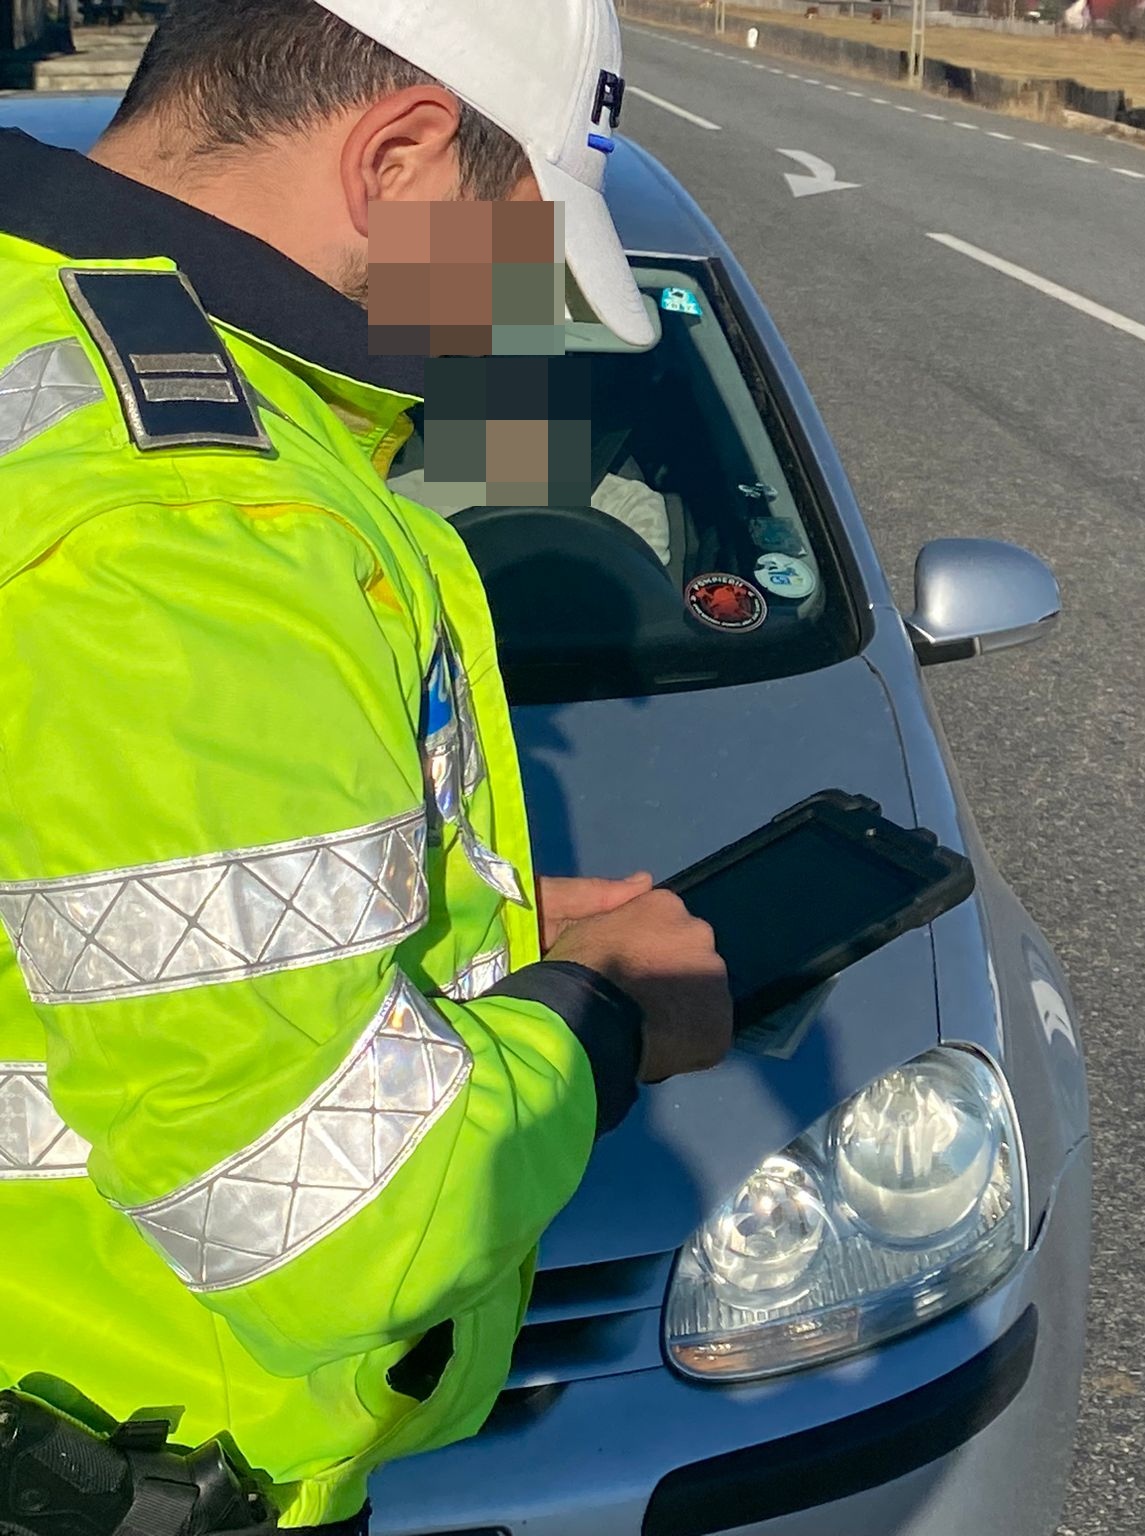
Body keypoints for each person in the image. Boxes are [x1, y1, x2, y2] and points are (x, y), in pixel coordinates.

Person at [0, 1, 731, 1532]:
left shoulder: (36, 326)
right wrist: (600, 1017)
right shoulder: (203, 526)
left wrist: (469, 923)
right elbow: (334, 1222)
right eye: (518, 252)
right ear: (397, 159)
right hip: (117, 1455)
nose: (511, 321)